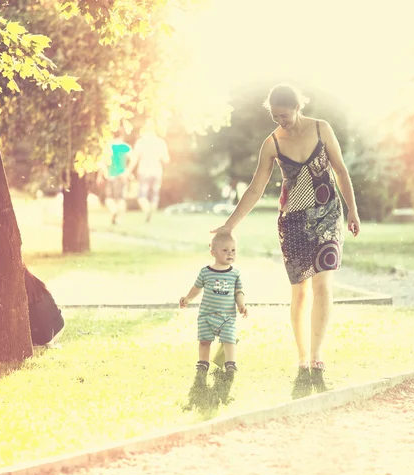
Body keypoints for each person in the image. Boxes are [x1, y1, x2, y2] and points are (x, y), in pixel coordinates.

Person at [212, 83, 361, 398]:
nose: (281, 121)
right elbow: (255, 188)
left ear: (298, 106)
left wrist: (352, 212)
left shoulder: (322, 129)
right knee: (300, 290)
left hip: (328, 216)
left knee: (323, 284)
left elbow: (341, 172)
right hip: (291, 222)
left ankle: (317, 355)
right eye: (275, 116)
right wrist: (229, 226)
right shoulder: (272, 144)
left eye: (285, 115)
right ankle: (302, 356)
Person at [179, 232, 248, 376]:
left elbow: (239, 291)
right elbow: (197, 287)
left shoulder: (234, 273)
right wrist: (188, 298)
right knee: (204, 341)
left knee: (229, 340)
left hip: (227, 316)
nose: (230, 253)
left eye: (233, 250)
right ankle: (203, 363)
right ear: (213, 252)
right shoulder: (206, 272)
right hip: (207, 315)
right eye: (225, 250)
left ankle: (230, 363)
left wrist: (241, 305)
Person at [127, 119, 170, 222]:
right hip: (157, 171)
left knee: (142, 195)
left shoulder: (141, 142)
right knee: (154, 195)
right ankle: (151, 212)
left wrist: (128, 171)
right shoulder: (160, 142)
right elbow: (166, 159)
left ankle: (147, 211)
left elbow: (135, 158)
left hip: (144, 171)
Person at [100, 128, 131, 225]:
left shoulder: (109, 147)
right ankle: (118, 218)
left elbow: (102, 162)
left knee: (109, 198)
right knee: (121, 198)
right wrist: (127, 171)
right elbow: (134, 158)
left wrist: (103, 174)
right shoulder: (125, 147)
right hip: (122, 176)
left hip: (111, 176)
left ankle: (114, 211)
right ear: (122, 135)